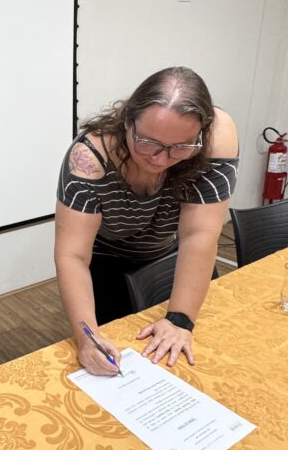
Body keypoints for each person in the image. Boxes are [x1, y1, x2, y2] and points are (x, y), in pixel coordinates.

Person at [55, 67, 238, 375]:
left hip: (172, 254)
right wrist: (88, 338)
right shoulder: (90, 159)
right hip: (108, 262)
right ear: (127, 121)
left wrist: (179, 320)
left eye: (180, 147)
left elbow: (200, 234)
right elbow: (72, 255)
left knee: (195, 357)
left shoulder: (217, 136)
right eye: (148, 143)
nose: (160, 159)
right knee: (120, 357)